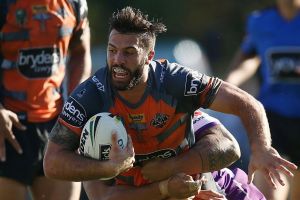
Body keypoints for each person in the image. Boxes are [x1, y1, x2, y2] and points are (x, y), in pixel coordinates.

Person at [44, 6, 297, 199]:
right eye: (112, 50)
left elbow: (234, 134)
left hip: (202, 182)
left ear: (150, 56)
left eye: (129, 52)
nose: (118, 60)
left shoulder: (175, 84)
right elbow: (54, 164)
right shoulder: (91, 99)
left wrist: (262, 148)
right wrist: (157, 185)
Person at [0, 0, 92, 199]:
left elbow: (81, 52)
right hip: (6, 130)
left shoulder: (74, 4)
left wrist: (77, 105)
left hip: (56, 125)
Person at [83, 110, 266, 200]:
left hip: (223, 188)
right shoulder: (87, 147)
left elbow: (229, 147)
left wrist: (169, 168)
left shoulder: (170, 112)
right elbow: (104, 197)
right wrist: (164, 188)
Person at [226, 0, 300, 199]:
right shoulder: (260, 21)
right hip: (272, 116)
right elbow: (249, 57)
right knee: (268, 194)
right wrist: (230, 82)